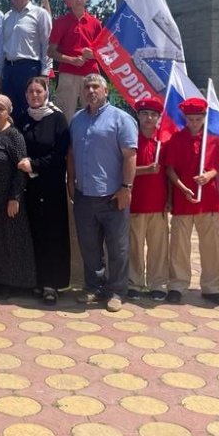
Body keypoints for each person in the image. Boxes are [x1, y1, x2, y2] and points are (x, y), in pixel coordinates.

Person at [67, 74, 137, 312]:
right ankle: (94, 287)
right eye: (86, 87)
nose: (90, 91)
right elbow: (71, 154)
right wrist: (70, 182)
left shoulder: (121, 119)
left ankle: (117, 291)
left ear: (106, 91)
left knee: (117, 247)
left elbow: (130, 156)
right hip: (84, 195)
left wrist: (126, 188)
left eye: (95, 86)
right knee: (89, 247)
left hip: (112, 196)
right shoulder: (77, 119)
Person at [164, 98, 219, 306]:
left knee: (212, 246)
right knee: (179, 246)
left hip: (208, 200)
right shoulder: (176, 139)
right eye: (190, 119)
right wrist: (182, 188)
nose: (194, 123)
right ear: (185, 118)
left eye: (198, 119)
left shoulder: (214, 141)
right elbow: (170, 169)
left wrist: (209, 175)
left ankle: (211, 287)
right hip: (183, 199)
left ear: (204, 118)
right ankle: (177, 285)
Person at [15, 77, 71, 305]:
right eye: (30, 91)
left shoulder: (57, 119)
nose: (35, 95)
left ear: (46, 93)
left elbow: (60, 153)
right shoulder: (22, 119)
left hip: (51, 187)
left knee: (52, 234)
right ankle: (36, 280)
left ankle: (52, 284)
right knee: (34, 233)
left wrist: (35, 165)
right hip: (29, 187)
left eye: (38, 91)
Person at [0, 94, 36, 298]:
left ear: (8, 111)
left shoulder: (14, 135)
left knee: (10, 240)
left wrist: (15, 197)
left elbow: (21, 168)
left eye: (1, 109)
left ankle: (12, 282)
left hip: (8, 198)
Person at [127, 98, 170, 302]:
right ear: (138, 115)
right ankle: (134, 283)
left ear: (158, 118)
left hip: (158, 203)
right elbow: (122, 169)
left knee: (158, 247)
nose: (149, 118)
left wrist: (170, 199)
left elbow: (170, 173)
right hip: (135, 202)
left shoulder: (164, 141)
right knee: (134, 246)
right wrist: (145, 170)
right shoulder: (131, 140)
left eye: (153, 115)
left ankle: (158, 283)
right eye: (145, 114)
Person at [47, 0, 104, 120]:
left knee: (95, 113)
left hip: (91, 73)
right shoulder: (60, 23)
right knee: (64, 114)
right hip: (68, 73)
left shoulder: (95, 23)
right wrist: (71, 60)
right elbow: (51, 51)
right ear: (68, 0)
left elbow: (104, 52)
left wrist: (94, 54)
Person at [0, 0, 52, 117]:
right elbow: (1, 48)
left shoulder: (40, 14)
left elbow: (47, 45)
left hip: (30, 69)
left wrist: (45, 73)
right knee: (11, 112)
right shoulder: (6, 17)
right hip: (9, 70)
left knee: (32, 111)